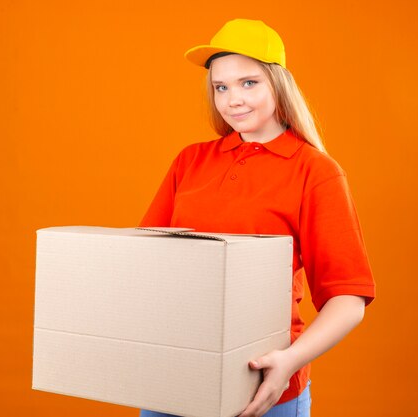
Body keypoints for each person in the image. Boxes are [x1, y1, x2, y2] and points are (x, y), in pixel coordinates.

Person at [139, 18, 375, 417]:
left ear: (278, 85)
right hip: (173, 380)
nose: (233, 99)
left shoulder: (314, 172)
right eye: (221, 87)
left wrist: (289, 362)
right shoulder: (190, 161)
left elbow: (348, 299)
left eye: (249, 83)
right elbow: (146, 263)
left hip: (264, 389)